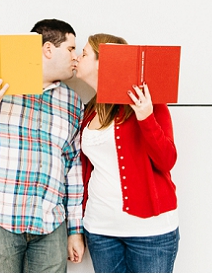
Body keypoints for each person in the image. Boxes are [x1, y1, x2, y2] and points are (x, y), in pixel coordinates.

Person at [0, 19, 86, 273]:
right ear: (47, 49)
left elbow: (73, 168)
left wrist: (75, 230)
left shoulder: (72, 102)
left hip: (50, 221)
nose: (76, 57)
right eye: (70, 49)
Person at [74, 33, 179, 273]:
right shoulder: (89, 110)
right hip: (100, 230)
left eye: (84, 54)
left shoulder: (150, 103)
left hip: (150, 234)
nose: (78, 58)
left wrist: (146, 117)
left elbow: (167, 160)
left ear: (105, 62)